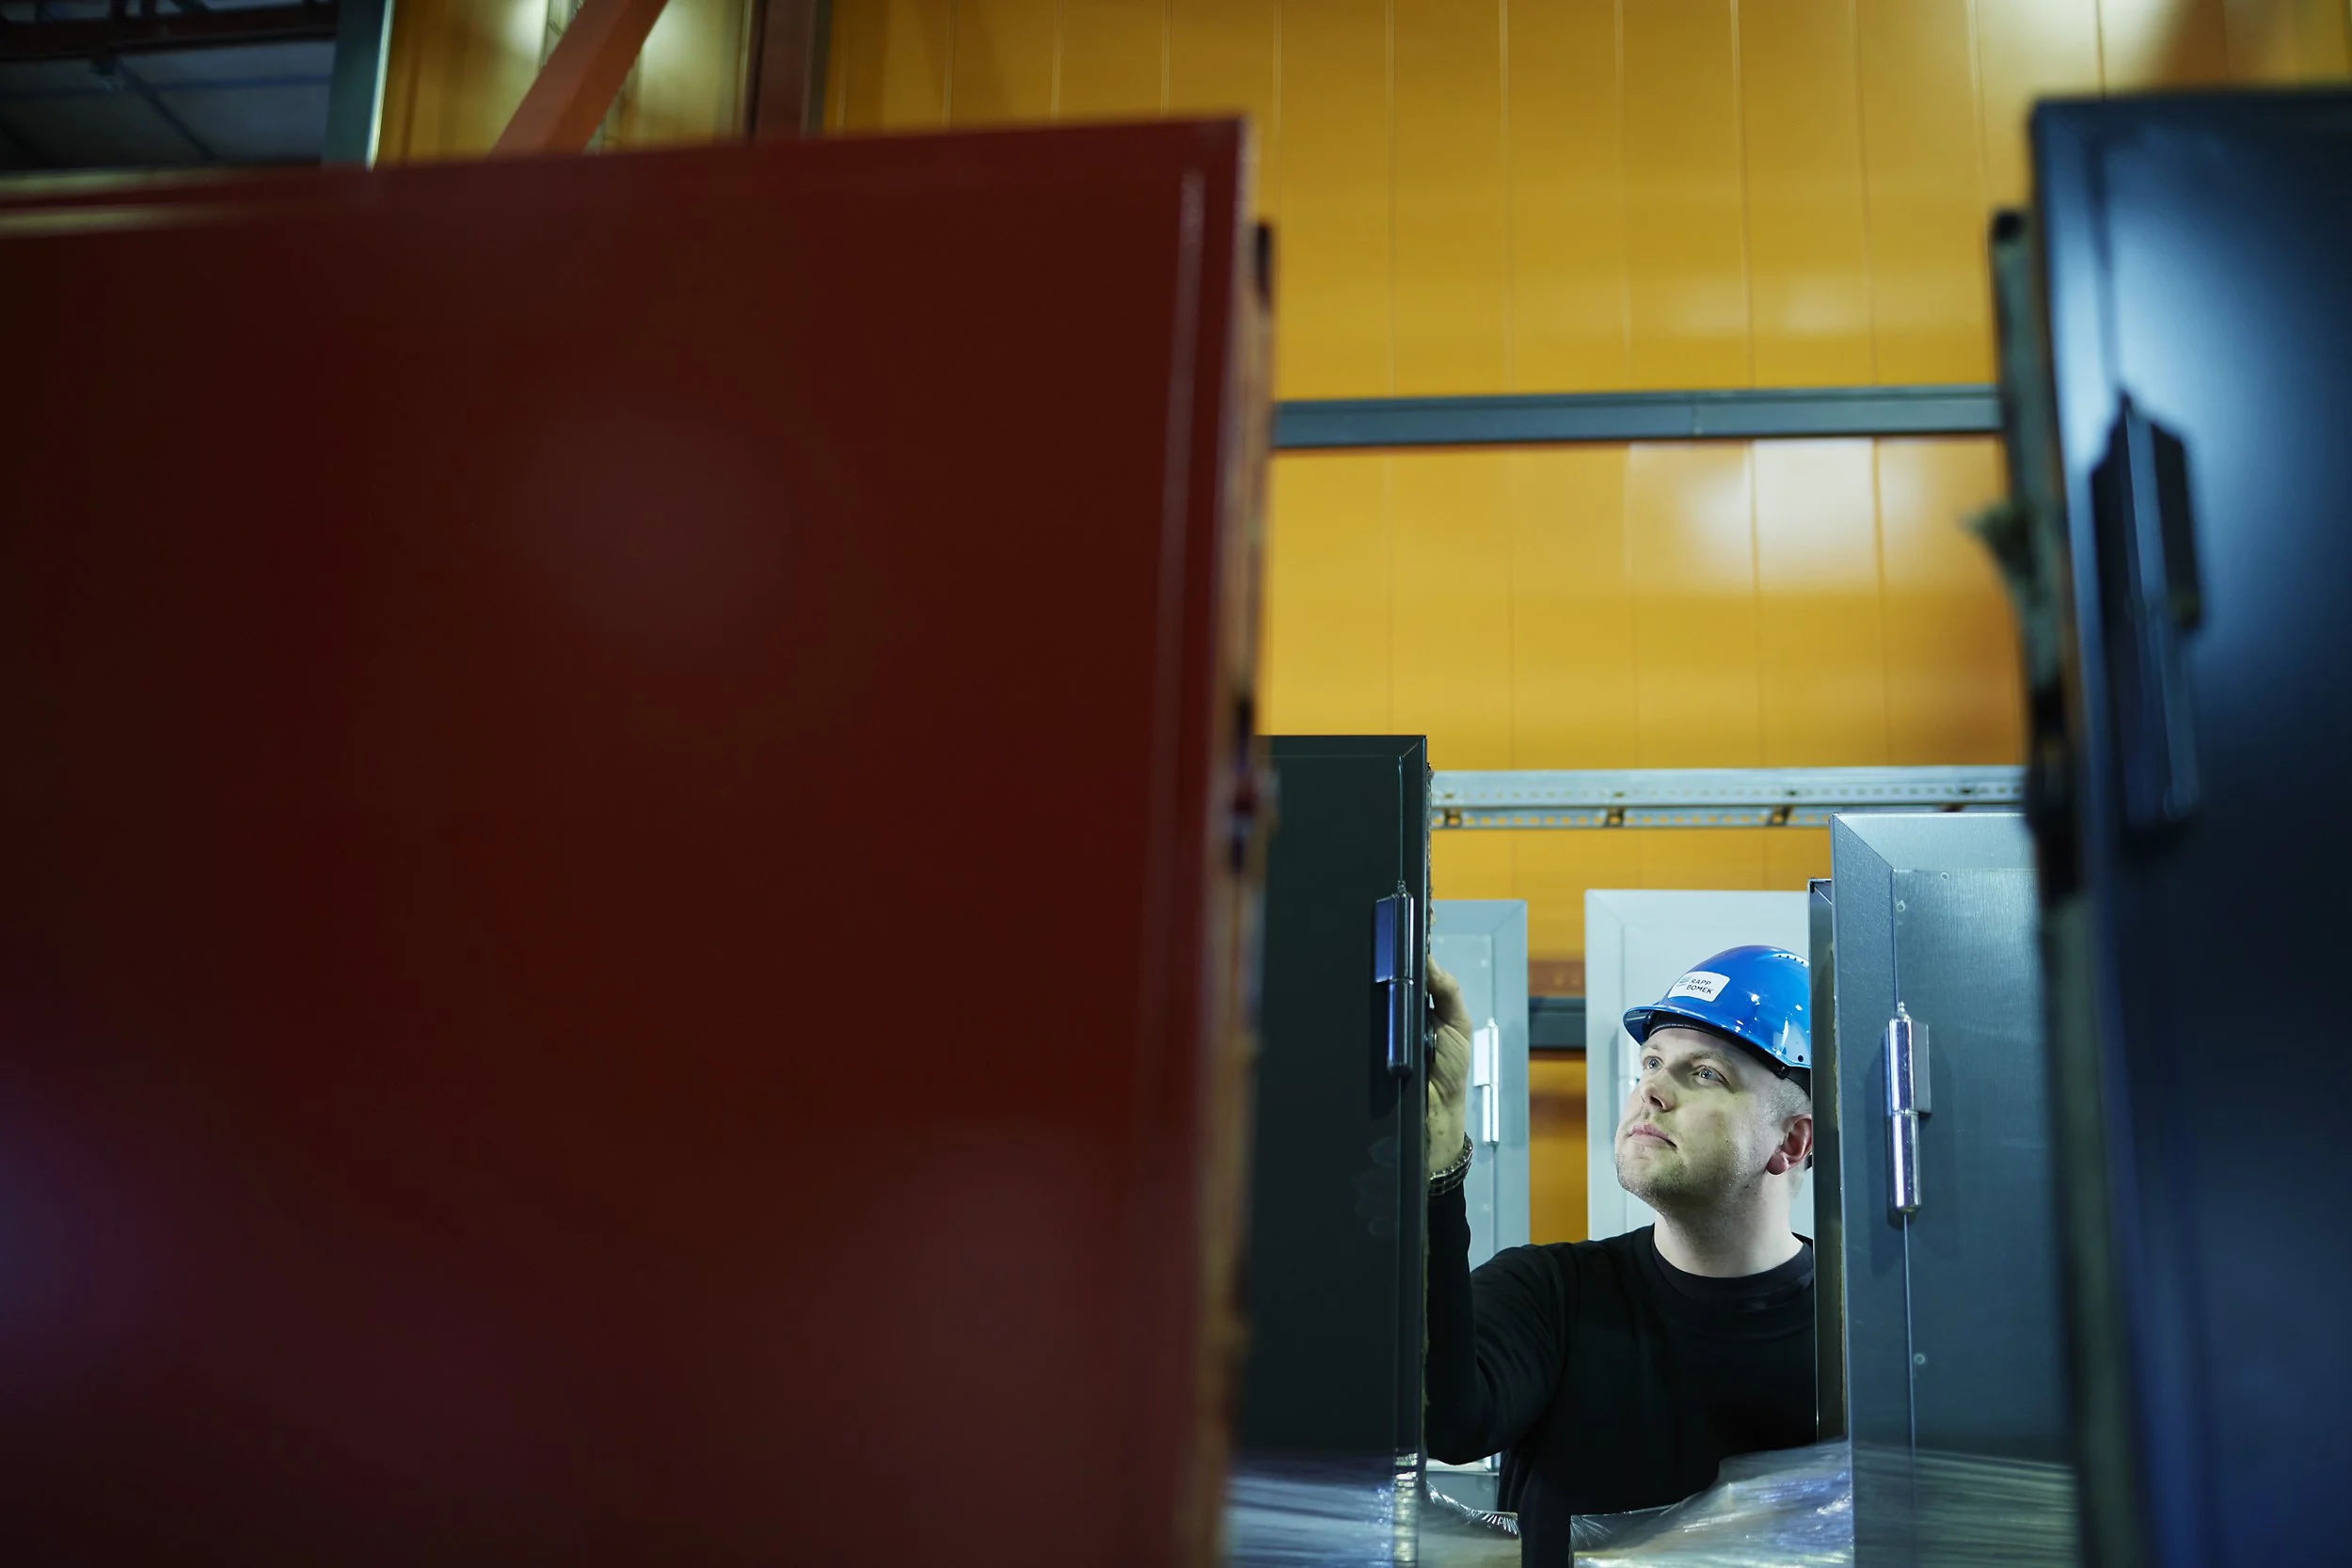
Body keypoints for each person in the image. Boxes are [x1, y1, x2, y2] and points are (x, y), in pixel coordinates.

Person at [1422, 945, 1818, 1566]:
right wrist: (1437, 1165)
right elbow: (1444, 1419)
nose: (1651, 1089)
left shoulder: (1859, 1340)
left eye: (1705, 1072)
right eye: (1652, 1061)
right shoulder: (1549, 1292)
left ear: (1791, 1140)